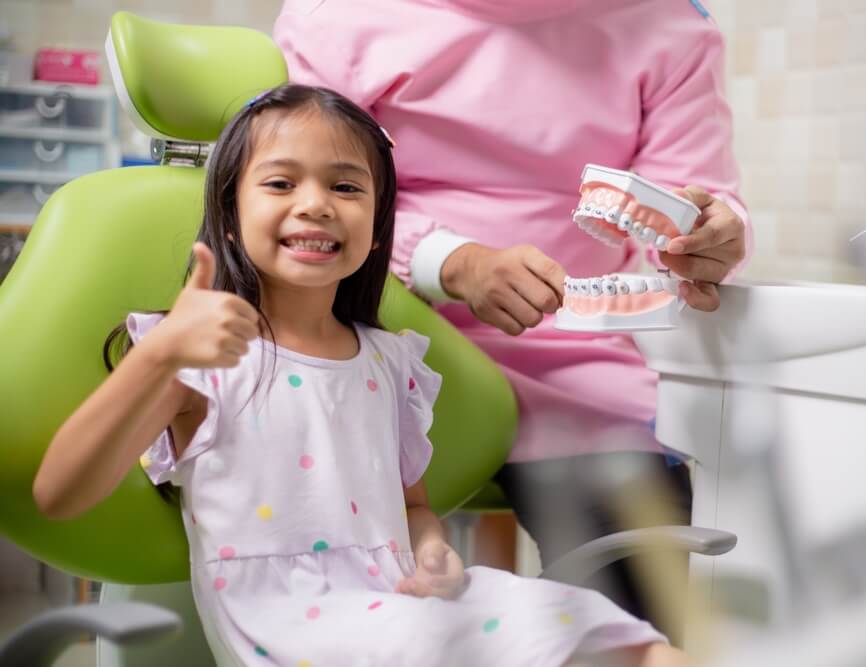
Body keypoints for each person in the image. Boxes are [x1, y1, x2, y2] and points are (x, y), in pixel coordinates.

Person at [32, 84, 687, 666]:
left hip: (400, 604)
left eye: (345, 187)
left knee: (621, 636)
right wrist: (159, 356)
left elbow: (413, 508)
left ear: (378, 229)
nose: (315, 204)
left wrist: (432, 551)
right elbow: (59, 494)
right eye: (281, 183)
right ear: (229, 217)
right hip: (294, 627)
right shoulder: (202, 354)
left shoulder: (387, 361)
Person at [273, 0, 751, 634]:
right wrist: (453, 262)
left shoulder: (667, 26)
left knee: (636, 603)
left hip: (574, 364)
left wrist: (713, 236)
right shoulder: (339, 17)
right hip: (374, 340)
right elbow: (302, 198)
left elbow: (696, 199)